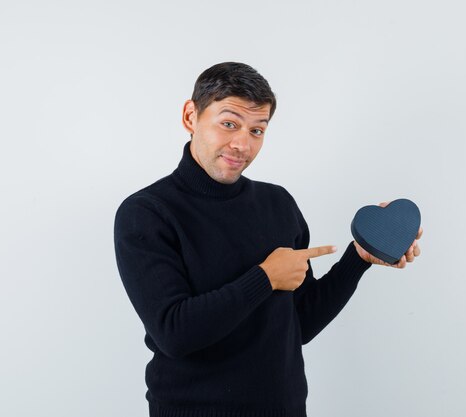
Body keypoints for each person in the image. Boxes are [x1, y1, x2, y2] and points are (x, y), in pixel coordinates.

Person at [113, 61, 423, 417]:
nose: (242, 144)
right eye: (228, 124)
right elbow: (174, 334)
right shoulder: (147, 213)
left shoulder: (278, 204)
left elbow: (300, 324)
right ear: (190, 117)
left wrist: (359, 259)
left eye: (257, 130)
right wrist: (264, 278)